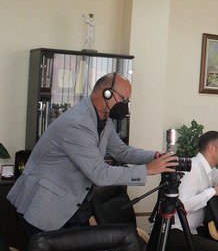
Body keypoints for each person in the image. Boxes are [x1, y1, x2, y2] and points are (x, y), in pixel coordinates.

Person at [8, 73, 178, 236]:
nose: (125, 105)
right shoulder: (77, 123)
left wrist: (155, 157)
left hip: (72, 206)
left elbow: (122, 151)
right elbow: (99, 173)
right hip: (45, 207)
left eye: (128, 101)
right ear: (106, 93)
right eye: (123, 99)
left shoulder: (104, 120)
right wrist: (147, 170)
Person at [167, 130, 218, 251]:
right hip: (175, 231)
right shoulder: (193, 168)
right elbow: (183, 204)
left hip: (193, 229)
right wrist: (213, 191)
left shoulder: (209, 169)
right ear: (212, 148)